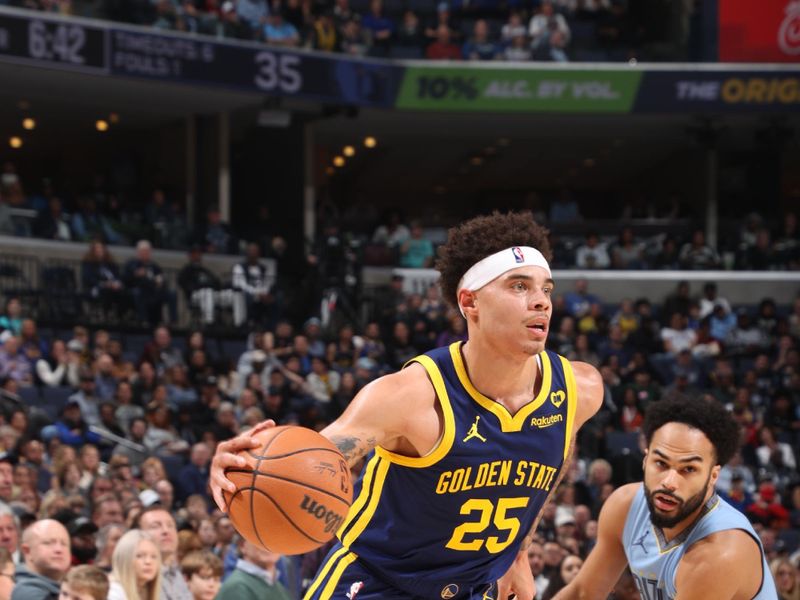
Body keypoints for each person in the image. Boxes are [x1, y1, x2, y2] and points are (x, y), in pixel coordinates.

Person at [211, 211, 603, 599]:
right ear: (470, 302)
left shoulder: (579, 390)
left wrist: (518, 555)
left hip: (473, 589)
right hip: (377, 584)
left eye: (546, 289)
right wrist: (241, 467)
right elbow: (313, 460)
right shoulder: (411, 396)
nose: (541, 302)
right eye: (519, 286)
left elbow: (554, 459)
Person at [552, 394, 778, 599]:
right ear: (645, 459)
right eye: (661, 463)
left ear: (713, 476)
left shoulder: (720, 553)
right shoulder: (625, 505)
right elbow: (582, 593)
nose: (669, 482)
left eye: (688, 469)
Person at [133, 507, 192, 600]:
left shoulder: (177, 572)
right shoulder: (136, 577)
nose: (166, 531)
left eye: (170, 525)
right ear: (138, 535)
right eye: (155, 526)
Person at [12, 519, 71, 600]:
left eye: (64, 544)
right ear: (27, 551)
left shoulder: (71, 587)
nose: (59, 549)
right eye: (48, 543)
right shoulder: (27, 592)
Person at [216, 539, 290, 600]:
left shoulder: (276, 584)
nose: (267, 546)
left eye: (274, 540)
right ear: (242, 546)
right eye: (260, 539)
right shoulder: (237, 587)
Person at [108, 530, 161, 600]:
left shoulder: (145, 590)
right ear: (124, 559)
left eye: (153, 556)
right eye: (139, 556)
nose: (148, 562)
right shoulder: (113, 592)